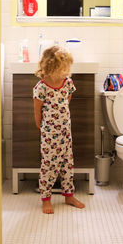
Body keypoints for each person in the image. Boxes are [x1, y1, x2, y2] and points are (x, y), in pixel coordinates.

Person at [33, 46, 85, 214]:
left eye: (68, 68)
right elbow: (37, 111)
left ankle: (69, 195)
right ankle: (46, 199)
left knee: (67, 164)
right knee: (49, 165)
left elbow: (66, 101)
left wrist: (61, 125)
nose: (67, 72)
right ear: (51, 67)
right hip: (49, 133)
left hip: (65, 132)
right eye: (64, 68)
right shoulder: (41, 87)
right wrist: (43, 129)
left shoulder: (67, 83)